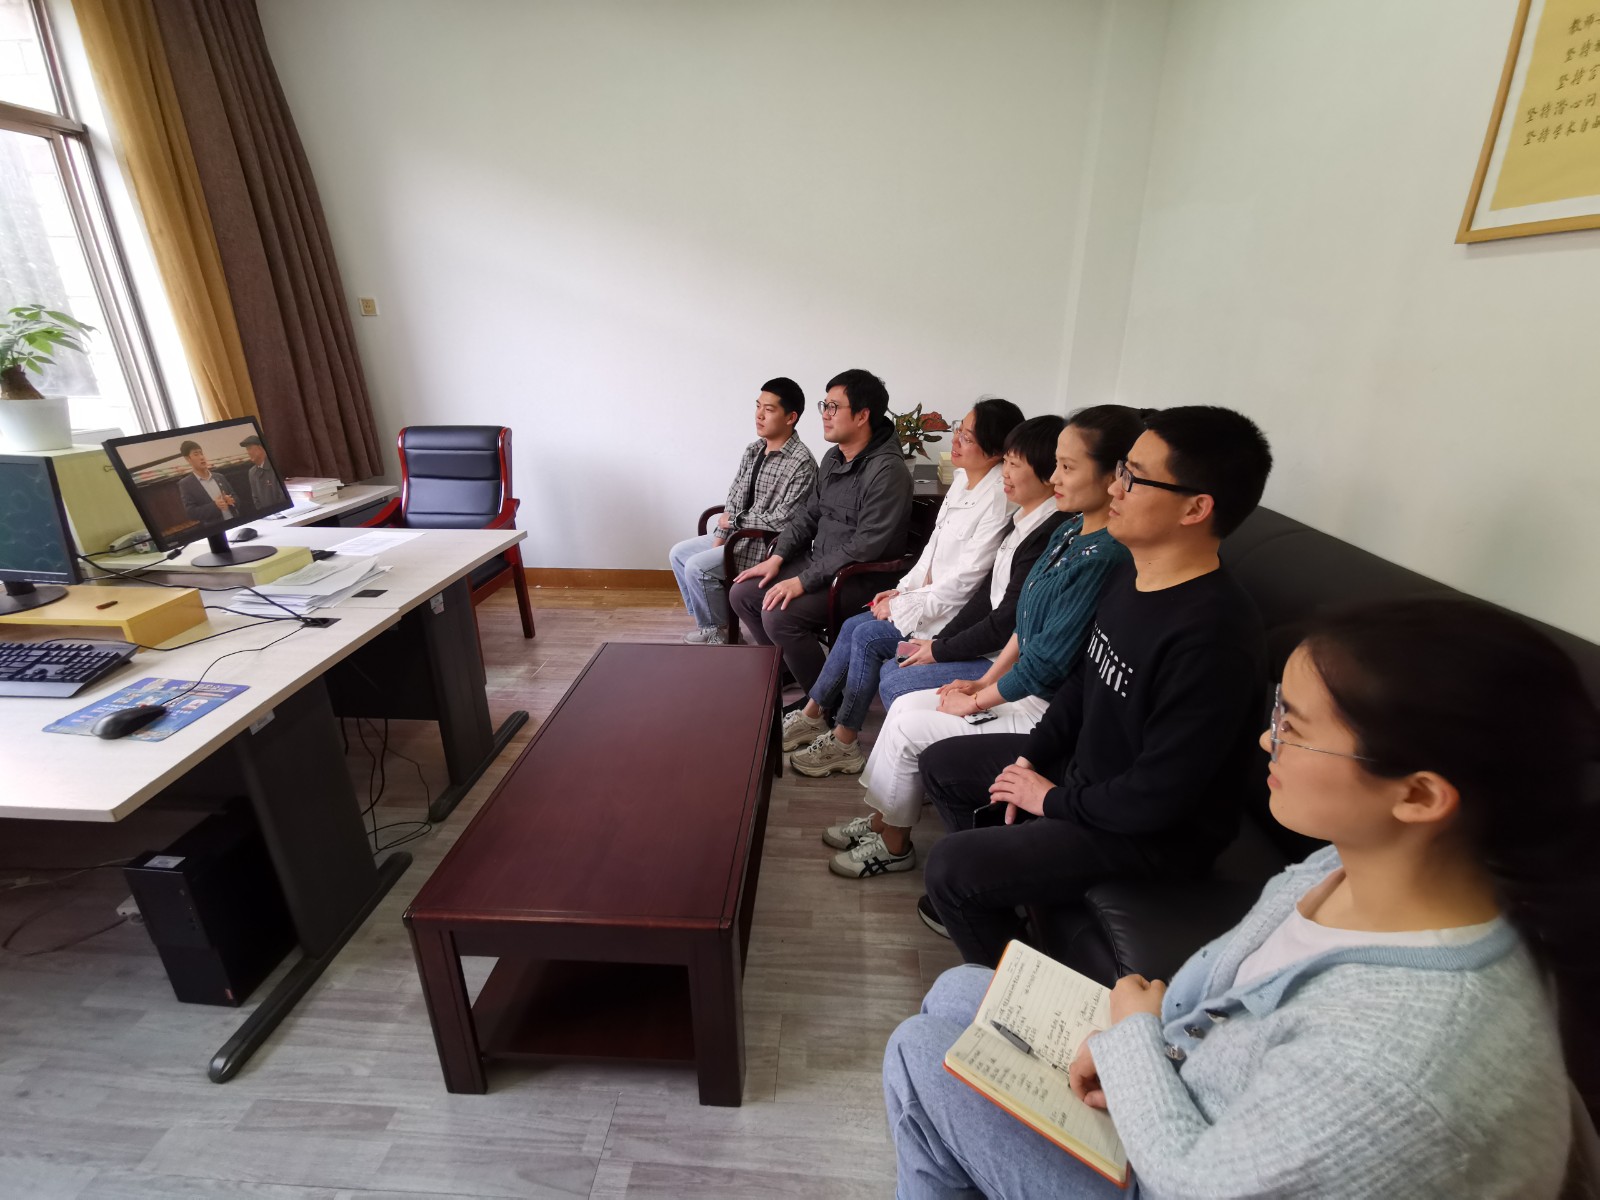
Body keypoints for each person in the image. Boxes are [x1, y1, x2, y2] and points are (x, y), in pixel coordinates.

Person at [884, 596, 1597, 1198]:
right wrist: (1142, 1045)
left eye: (1294, 727)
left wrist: (1133, 1045)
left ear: (1418, 796)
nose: (1265, 738)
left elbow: (1198, 1185)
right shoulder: (1343, 865)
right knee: (958, 991)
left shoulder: (1401, 1064)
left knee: (919, 1053)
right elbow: (1220, 993)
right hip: (1189, 1086)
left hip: (1183, 1168)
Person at [917, 407, 1272, 956]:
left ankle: (1015, 985)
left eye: (1134, 477)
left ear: (1196, 508)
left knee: (950, 868)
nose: (1114, 488)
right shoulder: (1134, 573)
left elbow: (1157, 798)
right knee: (942, 764)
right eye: (1120, 470)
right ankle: (1005, 898)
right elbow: (1084, 682)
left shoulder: (1214, 637)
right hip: (1087, 777)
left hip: (1147, 834)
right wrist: (1032, 759)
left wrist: (1050, 799)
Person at [822, 405, 1144, 881]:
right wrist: (982, 683)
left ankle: (893, 845)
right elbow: (1023, 623)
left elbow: (1046, 662)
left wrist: (980, 696)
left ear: (1114, 476)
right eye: (1055, 464)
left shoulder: (1102, 555)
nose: (1055, 477)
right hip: (1013, 681)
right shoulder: (1069, 531)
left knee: (909, 720)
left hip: (1041, 704)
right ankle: (883, 822)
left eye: (1067, 467)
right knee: (906, 706)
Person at [783, 397, 1022, 778]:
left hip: (951, 617)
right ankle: (814, 715)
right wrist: (901, 591)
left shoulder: (997, 499)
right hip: (928, 602)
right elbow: (930, 552)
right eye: (958, 430)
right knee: (853, 627)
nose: (955, 440)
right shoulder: (963, 480)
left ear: (995, 451)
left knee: (865, 636)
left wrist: (902, 605)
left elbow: (965, 582)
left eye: (966, 436)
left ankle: (844, 740)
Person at [728, 369, 913, 691]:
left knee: (779, 615)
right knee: (743, 594)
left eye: (834, 407)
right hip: (822, 564)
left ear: (862, 415)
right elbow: (808, 514)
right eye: (824, 406)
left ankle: (825, 699)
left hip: (858, 578)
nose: (825, 415)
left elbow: (866, 545)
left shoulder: (887, 471)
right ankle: (790, 668)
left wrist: (803, 580)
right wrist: (778, 557)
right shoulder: (833, 457)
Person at [874, 415, 1071, 718]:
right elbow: (985, 597)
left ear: (1049, 474)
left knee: (895, 679)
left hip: (1002, 660)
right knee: (892, 668)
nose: (1005, 473)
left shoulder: (1047, 534)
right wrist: (939, 643)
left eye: (1014, 464)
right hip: (984, 641)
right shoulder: (1022, 521)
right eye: (1006, 462)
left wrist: (941, 649)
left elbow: (1005, 619)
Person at [670, 379, 816, 644]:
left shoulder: (801, 463)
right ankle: (717, 625)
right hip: (737, 537)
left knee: (697, 567)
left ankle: (720, 634)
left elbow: (785, 520)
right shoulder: (753, 449)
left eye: (769, 410)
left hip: (764, 545)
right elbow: (734, 498)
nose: (759, 415)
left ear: (790, 417)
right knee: (680, 554)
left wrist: (736, 522)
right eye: (758, 406)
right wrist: (719, 538)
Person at [175, 439, 239, 527]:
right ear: (188, 459)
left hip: (236, 522)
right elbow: (191, 513)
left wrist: (232, 500)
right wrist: (215, 506)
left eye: (201, 453)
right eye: (196, 454)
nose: (201, 457)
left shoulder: (219, 476)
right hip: (215, 528)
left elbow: (235, 497)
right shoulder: (186, 484)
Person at [239, 434, 286, 515]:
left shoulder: (276, 466)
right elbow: (255, 498)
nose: (248, 452)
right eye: (247, 449)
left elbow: (283, 494)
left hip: (282, 513)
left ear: (260, 448)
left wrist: (278, 513)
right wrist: (264, 513)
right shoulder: (251, 472)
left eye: (250, 448)